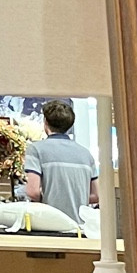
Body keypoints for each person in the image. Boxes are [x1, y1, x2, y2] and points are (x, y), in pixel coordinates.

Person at [23, 98, 97, 229]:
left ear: (45, 122)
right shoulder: (86, 154)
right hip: (79, 228)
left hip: (49, 227)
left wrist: (51, 199)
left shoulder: (36, 149)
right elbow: (96, 195)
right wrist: (75, 199)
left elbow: (32, 191)